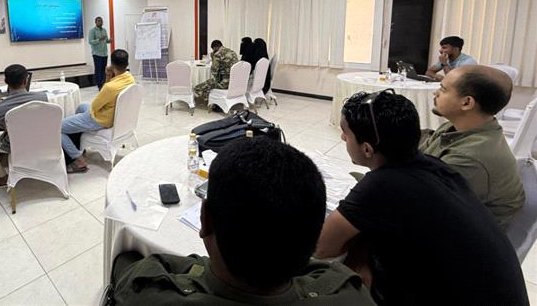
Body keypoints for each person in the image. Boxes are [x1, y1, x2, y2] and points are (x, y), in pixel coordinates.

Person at [315, 89, 528, 306]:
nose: (342, 138)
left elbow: (322, 248)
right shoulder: (435, 166)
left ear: (367, 149)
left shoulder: (382, 185)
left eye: (346, 133)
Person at [107, 137, 375, 305]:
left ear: (205, 219)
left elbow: (134, 268)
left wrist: (199, 266)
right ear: (315, 229)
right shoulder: (351, 293)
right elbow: (327, 272)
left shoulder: (148, 294)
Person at [419, 65, 524, 227]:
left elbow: (424, 208)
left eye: (443, 89)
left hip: (459, 240)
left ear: (467, 102)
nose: (436, 93)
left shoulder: (469, 159)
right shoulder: (459, 128)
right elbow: (422, 151)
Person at [0, 64, 47, 186]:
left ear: (6, 81)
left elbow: (1, 127)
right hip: (41, 140)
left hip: (15, 144)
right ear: (26, 80)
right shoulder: (42, 98)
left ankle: (2, 176)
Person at [61, 49, 135, 173]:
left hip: (100, 119)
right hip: (113, 116)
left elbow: (95, 106)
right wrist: (108, 75)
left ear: (112, 63)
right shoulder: (130, 79)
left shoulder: (110, 87)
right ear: (126, 64)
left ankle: (78, 158)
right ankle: (78, 140)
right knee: (81, 107)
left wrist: (107, 77)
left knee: (57, 127)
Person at [89, 16, 112, 89]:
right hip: (97, 53)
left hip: (104, 53)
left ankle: (103, 83)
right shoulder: (92, 30)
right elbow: (90, 41)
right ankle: (99, 85)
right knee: (98, 69)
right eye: (98, 21)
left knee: (103, 69)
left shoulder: (104, 30)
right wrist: (99, 39)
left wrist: (109, 40)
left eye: (101, 21)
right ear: (95, 22)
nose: (100, 22)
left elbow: (105, 40)